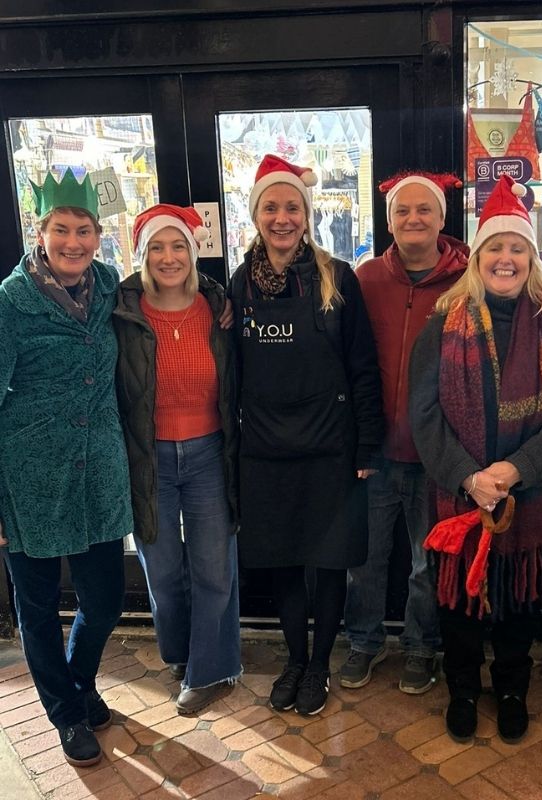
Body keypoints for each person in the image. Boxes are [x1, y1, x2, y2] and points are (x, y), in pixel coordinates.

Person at [409, 175, 542, 744]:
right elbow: (424, 412)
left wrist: (516, 471)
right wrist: (469, 476)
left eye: (517, 248)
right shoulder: (443, 323)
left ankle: (512, 689)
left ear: (532, 259)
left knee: (519, 597)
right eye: (495, 248)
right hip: (459, 491)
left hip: (530, 491)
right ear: (477, 257)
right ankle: (463, 689)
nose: (505, 259)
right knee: (460, 601)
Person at [229, 154, 383, 716]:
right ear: (256, 215)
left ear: (307, 213)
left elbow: (362, 366)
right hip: (266, 450)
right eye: (271, 207)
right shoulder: (239, 284)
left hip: (330, 447)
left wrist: (368, 443)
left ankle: (320, 665)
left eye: (292, 207)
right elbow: (232, 370)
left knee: (330, 561)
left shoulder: (337, 276)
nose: (282, 218)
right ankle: (295, 660)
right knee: (284, 561)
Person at [0, 170, 133, 767]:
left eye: (83, 230)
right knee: (36, 608)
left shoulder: (107, 286)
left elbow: (168, 288)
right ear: (41, 231)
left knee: (104, 601)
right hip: (28, 481)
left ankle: (78, 683)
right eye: (61, 229)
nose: (73, 242)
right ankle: (65, 712)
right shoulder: (10, 303)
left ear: (98, 235)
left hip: (98, 475)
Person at [341, 171, 468, 694]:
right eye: (402, 210)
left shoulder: (468, 280)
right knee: (365, 558)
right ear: (389, 221)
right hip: (374, 451)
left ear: (441, 218)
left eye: (424, 209)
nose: (413, 219)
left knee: (426, 561)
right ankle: (363, 641)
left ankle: (420, 646)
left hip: (437, 453)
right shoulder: (365, 278)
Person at [113, 204, 241, 715]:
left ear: (193, 252)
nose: (169, 258)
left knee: (214, 568)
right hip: (149, 458)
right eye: (157, 248)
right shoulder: (122, 312)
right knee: (162, 572)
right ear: (142, 255)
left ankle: (210, 669)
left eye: (178, 246)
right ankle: (181, 653)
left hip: (209, 453)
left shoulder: (218, 306)